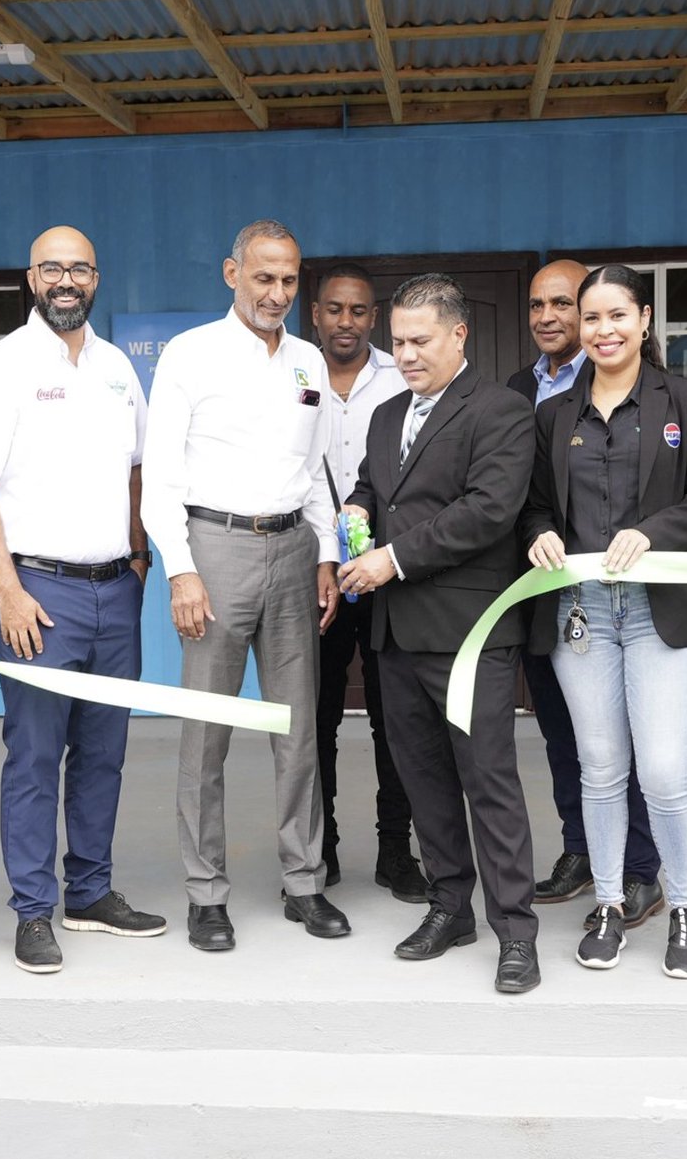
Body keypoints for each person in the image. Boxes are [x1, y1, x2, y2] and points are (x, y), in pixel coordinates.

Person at [0, 225, 164, 974]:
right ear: (31, 277)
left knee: (104, 751)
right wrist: (6, 588)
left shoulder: (115, 370)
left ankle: (92, 891)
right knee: (36, 754)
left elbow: (139, 471)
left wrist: (138, 559)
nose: (66, 280)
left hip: (114, 587)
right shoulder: (0, 369)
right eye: (53, 268)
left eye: (79, 268)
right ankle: (34, 909)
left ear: (97, 278)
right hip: (36, 592)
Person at [141, 218, 348, 952]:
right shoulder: (189, 355)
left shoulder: (309, 364)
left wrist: (323, 556)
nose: (278, 293)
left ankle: (305, 882)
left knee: (298, 729)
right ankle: (206, 893)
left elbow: (319, 474)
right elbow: (159, 475)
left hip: (293, 550)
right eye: (264, 277)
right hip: (215, 548)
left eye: (290, 279)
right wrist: (181, 569)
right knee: (207, 735)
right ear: (233, 274)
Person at [523, 264, 687, 979]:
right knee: (602, 766)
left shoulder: (685, 402)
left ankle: (684, 907)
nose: (603, 330)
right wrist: (540, 535)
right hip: (581, 610)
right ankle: (609, 903)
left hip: (659, 609)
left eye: (618, 315)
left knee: (666, 768)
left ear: (645, 320)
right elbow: (537, 505)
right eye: (592, 319)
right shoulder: (554, 415)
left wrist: (656, 531)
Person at [339, 272, 541, 994]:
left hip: (470, 631)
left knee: (488, 783)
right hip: (397, 635)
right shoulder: (388, 414)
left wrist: (390, 557)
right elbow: (369, 484)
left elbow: (488, 511)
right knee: (423, 782)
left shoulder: (503, 412)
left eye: (419, 340)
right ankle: (451, 906)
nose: (406, 354)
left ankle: (516, 931)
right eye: (397, 341)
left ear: (459, 334)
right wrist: (357, 517)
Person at [509, 260, 664, 928]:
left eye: (564, 303)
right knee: (562, 734)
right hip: (550, 595)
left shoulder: (644, 389)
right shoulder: (521, 390)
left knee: (626, 741)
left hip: (629, 603)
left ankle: (639, 868)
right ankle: (582, 848)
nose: (548, 316)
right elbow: (523, 495)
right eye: (537, 304)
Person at [312, 263, 426, 902]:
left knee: (396, 721)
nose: (346, 322)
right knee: (319, 719)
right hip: (314, 576)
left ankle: (395, 852)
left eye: (358, 311)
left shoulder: (400, 375)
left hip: (388, 574)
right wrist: (324, 559)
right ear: (317, 314)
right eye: (334, 309)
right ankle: (320, 852)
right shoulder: (293, 373)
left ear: (374, 316)